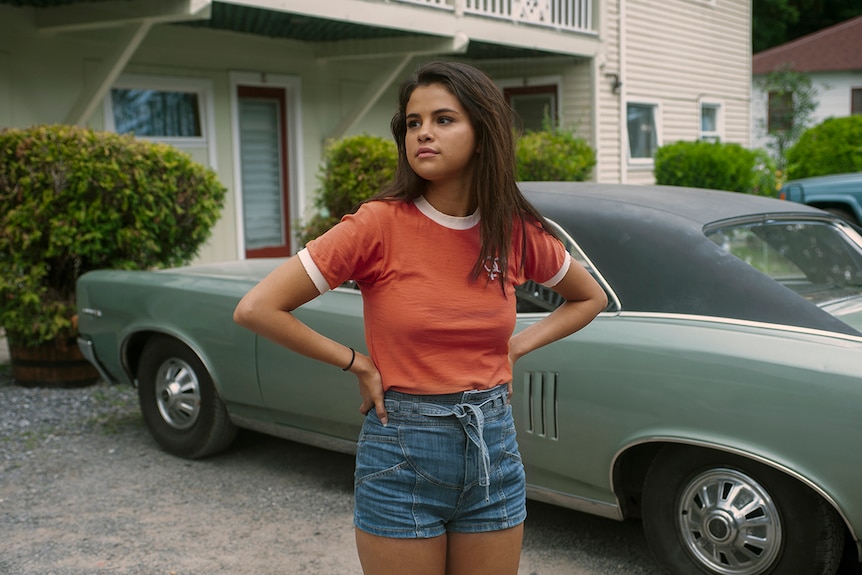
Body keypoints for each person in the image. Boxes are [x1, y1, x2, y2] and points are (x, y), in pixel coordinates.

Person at [233, 60, 608, 575]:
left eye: (443, 119)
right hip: (402, 449)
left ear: (483, 132)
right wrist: (358, 364)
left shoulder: (512, 231)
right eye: (413, 122)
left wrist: (515, 347)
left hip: (493, 448)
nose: (423, 133)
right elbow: (257, 308)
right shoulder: (377, 225)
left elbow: (589, 298)